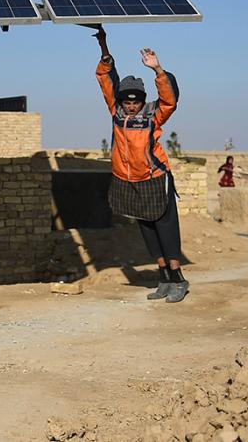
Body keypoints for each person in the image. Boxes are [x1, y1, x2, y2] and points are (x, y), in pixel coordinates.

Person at [93, 26, 188, 303]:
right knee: (146, 229)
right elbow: (105, 77)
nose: (131, 105)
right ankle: (163, 278)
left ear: (142, 100)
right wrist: (104, 46)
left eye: (135, 100)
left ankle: (178, 279)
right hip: (126, 180)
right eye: (126, 100)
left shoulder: (152, 115)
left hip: (154, 177)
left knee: (165, 227)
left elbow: (171, 100)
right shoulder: (116, 113)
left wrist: (157, 70)